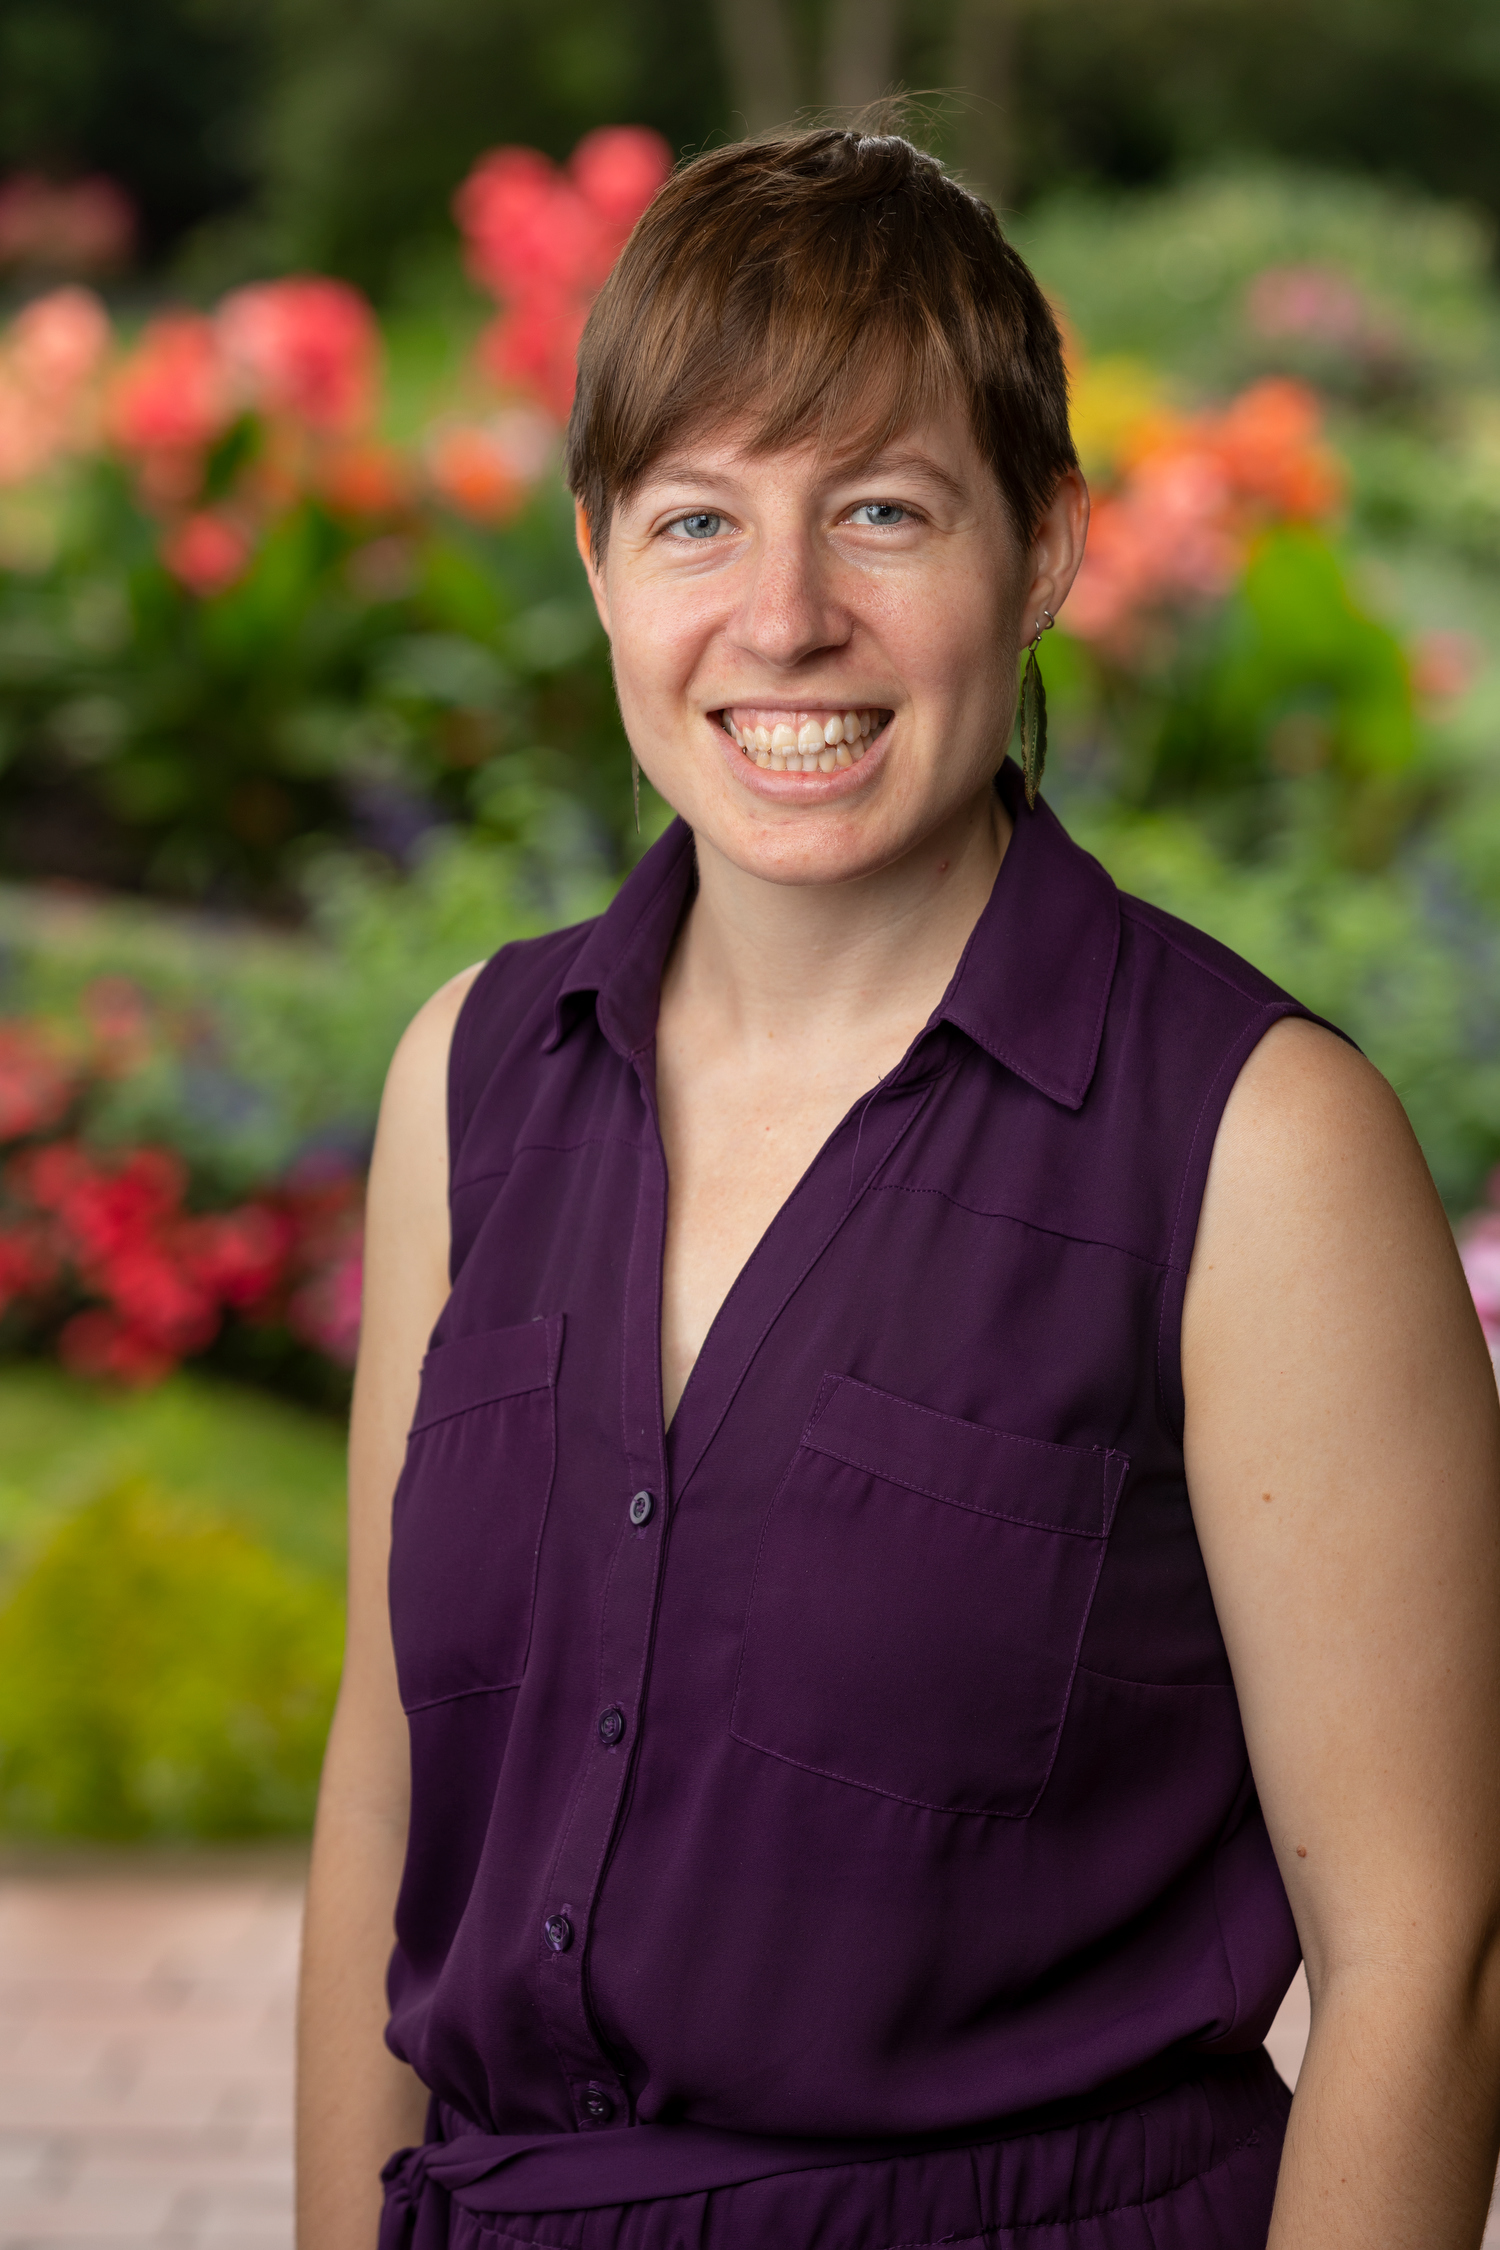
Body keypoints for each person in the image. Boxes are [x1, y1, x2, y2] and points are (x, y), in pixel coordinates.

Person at [296, 127, 1500, 2250]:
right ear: (595, 562)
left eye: (882, 512)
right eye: (698, 521)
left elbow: (1435, 1959)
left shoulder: (1258, 1146)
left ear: (1042, 547)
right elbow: (384, 1806)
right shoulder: (468, 1089)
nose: (785, 619)